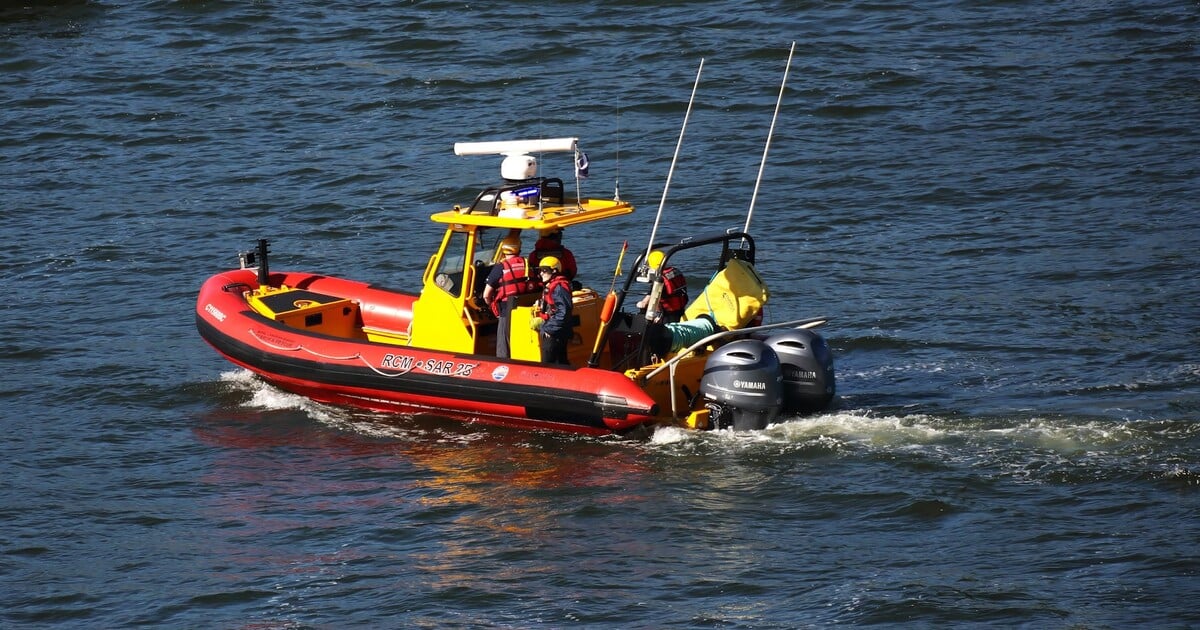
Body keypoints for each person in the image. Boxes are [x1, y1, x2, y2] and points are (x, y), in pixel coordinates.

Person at [481, 235, 530, 358]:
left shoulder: (500, 267)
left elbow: (486, 295)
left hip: (506, 309)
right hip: (525, 307)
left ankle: (503, 362)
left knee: (503, 342)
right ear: (518, 249)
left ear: (504, 250)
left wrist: (490, 306)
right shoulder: (526, 263)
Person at [530, 256, 573, 365]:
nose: (541, 274)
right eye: (540, 271)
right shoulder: (553, 286)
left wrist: (549, 329)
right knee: (560, 362)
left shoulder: (558, 288)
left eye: (544, 270)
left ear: (554, 271)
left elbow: (564, 312)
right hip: (555, 331)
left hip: (555, 333)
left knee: (549, 363)